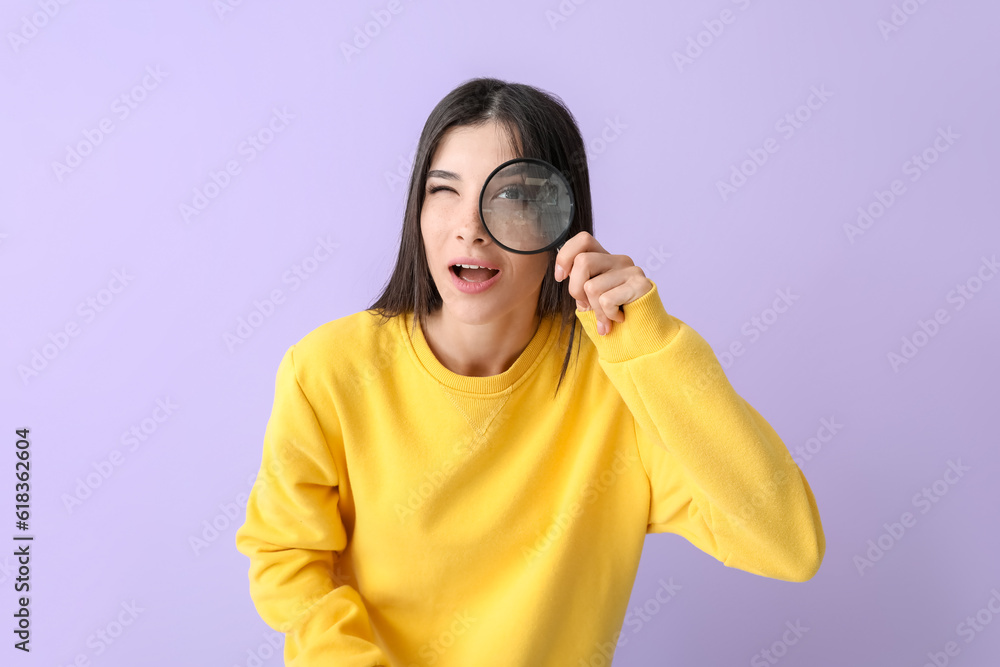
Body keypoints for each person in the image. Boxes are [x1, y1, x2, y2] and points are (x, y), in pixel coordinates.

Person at [235, 77, 825, 667]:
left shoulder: (621, 381)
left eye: (512, 197)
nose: (469, 226)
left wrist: (652, 343)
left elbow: (787, 544)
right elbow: (287, 558)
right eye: (444, 191)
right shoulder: (329, 370)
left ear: (560, 227)